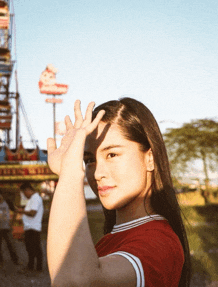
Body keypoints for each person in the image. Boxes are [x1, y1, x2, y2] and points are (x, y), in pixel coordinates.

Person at [47, 98, 191, 286]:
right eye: (89, 160)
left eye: (112, 154)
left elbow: (74, 280)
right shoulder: (111, 240)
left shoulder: (159, 242)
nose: (98, 173)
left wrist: (69, 171)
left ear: (150, 159)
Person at [17, 182, 44, 272]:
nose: (24, 195)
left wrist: (22, 211)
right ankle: (32, 266)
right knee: (31, 248)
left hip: (33, 227)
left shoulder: (35, 198)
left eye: (24, 192)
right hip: (30, 227)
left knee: (35, 248)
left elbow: (33, 213)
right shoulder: (33, 198)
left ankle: (36, 267)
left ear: (28, 190)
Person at [0, 193, 19, 265]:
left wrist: (12, 222)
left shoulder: (7, 202)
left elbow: (16, 210)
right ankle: (1, 260)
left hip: (6, 227)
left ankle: (15, 260)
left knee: (10, 244)